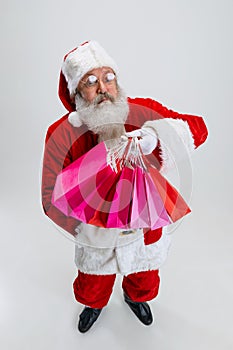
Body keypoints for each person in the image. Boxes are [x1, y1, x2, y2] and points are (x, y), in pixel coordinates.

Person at [41, 40, 208, 333]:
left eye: (109, 78)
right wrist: (82, 230)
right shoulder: (61, 133)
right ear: (76, 93)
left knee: (144, 276)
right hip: (96, 230)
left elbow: (197, 127)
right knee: (93, 284)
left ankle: (135, 299)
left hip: (144, 225)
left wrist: (156, 138)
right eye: (91, 82)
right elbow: (49, 195)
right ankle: (94, 305)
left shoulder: (141, 111)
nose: (103, 88)